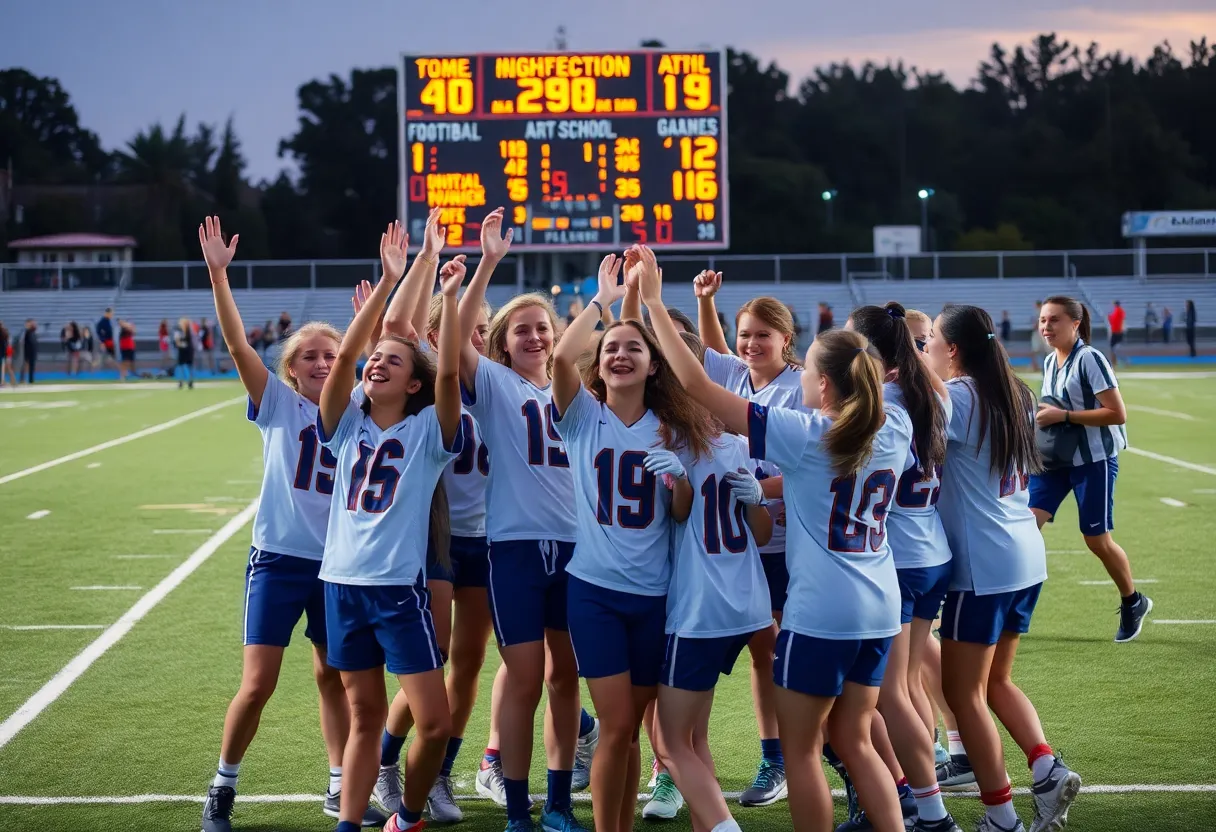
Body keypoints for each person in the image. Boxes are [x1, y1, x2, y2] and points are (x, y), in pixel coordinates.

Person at [641, 245, 911, 832]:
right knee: (856, 739)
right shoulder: (894, 424)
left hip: (822, 612)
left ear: (823, 385)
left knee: (803, 751)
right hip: (880, 604)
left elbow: (695, 379)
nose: (803, 379)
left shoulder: (808, 433)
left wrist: (655, 306)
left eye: (810, 371)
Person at [196, 217, 382, 832]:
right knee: (259, 682)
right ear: (291, 367)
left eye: (332, 354)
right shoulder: (276, 402)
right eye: (310, 355)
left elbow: (386, 353)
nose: (323, 362)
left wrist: (381, 301)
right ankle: (223, 782)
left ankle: (338, 781)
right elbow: (235, 346)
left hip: (337, 560)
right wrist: (219, 274)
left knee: (333, 674)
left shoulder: (359, 405)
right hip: (279, 556)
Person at [552, 249, 717, 832]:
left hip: (655, 593)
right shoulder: (581, 417)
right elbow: (561, 354)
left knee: (631, 729)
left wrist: (676, 480)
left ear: (653, 365)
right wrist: (601, 303)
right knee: (617, 726)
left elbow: (680, 512)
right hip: (594, 589)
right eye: (611, 348)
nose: (620, 354)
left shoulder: (673, 427)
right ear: (599, 363)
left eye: (634, 348)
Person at [315, 221, 466, 832]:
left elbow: (450, 376)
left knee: (433, 721)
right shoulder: (347, 423)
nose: (377, 363)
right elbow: (349, 353)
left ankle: (405, 815)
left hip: (399, 589)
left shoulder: (429, 432)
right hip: (341, 583)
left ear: (413, 383)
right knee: (363, 717)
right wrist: (390, 279)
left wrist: (449, 300)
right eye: (376, 358)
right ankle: (349, 824)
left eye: (393, 360)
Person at [456, 208, 589, 832]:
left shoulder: (578, 392)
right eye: (523, 331)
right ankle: (516, 805)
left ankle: (559, 800)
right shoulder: (496, 388)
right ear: (502, 342)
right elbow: (453, 345)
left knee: (569, 680)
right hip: (513, 547)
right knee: (527, 677)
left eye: (543, 328)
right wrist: (486, 263)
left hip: (579, 550)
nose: (535, 337)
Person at [926, 304, 1080, 832]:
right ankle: (1045, 768)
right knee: (995, 683)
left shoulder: (962, 396)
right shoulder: (1015, 389)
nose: (926, 352)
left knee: (962, 694)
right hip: (1023, 555)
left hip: (983, 565)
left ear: (952, 350)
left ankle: (1001, 815)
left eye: (930, 344)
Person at [651, 329, 775, 832]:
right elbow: (760, 535)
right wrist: (753, 501)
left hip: (700, 606)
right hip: (743, 602)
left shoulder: (679, 440)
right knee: (695, 736)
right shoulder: (730, 440)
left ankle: (724, 827)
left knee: (670, 741)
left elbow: (682, 515)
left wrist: (755, 499)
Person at [846, 304, 960, 832]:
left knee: (890, 694)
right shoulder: (933, 390)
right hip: (930, 548)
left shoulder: (883, 402)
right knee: (907, 686)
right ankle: (922, 788)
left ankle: (928, 806)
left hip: (899, 555)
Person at [694, 269, 804, 808]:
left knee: (777, 653)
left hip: (784, 542)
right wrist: (706, 302)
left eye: (764, 334)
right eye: (746, 334)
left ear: (787, 339)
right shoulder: (738, 376)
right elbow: (713, 356)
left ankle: (780, 758)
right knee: (733, 654)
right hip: (732, 544)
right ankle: (686, 764)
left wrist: (761, 489)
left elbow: (814, 465)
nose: (752, 343)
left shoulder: (803, 387)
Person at [1031, 297, 1150, 642]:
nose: (1046, 327)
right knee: (1025, 526)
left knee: (1096, 540)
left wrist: (1064, 416)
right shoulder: (1051, 361)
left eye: (1054, 320)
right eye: (1042, 320)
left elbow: (1117, 413)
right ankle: (1011, 604)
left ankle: (1133, 600)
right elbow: (1054, 406)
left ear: (1076, 324)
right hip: (1055, 461)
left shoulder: (1090, 359)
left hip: (1093, 460)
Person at [174, 316, 196, 390]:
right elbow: (177, 341)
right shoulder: (178, 330)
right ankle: (181, 381)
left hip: (188, 350)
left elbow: (191, 340)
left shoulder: (189, 330)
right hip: (182, 351)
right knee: (181, 366)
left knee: (189, 366)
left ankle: (190, 381)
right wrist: (181, 345)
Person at [97, 307, 117, 372]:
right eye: (111, 313)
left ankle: (112, 369)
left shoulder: (108, 321)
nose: (112, 315)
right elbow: (98, 331)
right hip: (106, 341)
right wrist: (102, 341)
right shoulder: (102, 321)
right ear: (107, 313)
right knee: (109, 356)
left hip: (110, 341)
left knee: (112, 356)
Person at [1027, 302, 1045, 372]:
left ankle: (1035, 365)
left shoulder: (1038, 313)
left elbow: (1036, 324)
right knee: (1039, 351)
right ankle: (1036, 365)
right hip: (1041, 333)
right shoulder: (1042, 313)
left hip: (1038, 333)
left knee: (1035, 350)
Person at [1107, 301, 1124, 366]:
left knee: (1113, 347)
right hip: (1118, 331)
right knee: (1115, 347)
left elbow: (1113, 321)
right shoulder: (1120, 311)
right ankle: (1115, 361)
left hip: (1116, 331)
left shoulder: (1117, 311)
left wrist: (1109, 317)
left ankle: (1115, 361)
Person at [21, 319, 38, 384]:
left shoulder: (33, 332)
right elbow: (24, 342)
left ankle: (31, 379)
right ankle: (22, 379)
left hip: (32, 351)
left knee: (32, 366)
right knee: (25, 365)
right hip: (28, 351)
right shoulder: (27, 332)